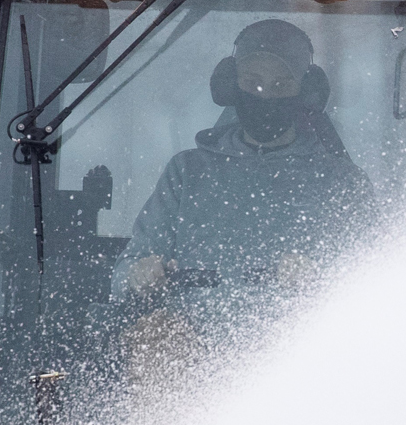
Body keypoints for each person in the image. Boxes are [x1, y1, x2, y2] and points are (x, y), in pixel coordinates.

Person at [112, 19, 376, 299]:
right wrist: (138, 275)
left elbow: (377, 280)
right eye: (252, 82)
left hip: (309, 337)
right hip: (183, 336)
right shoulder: (187, 173)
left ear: (307, 92)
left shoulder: (342, 183)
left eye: (280, 84)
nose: (264, 94)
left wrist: (324, 278)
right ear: (230, 86)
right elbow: (125, 273)